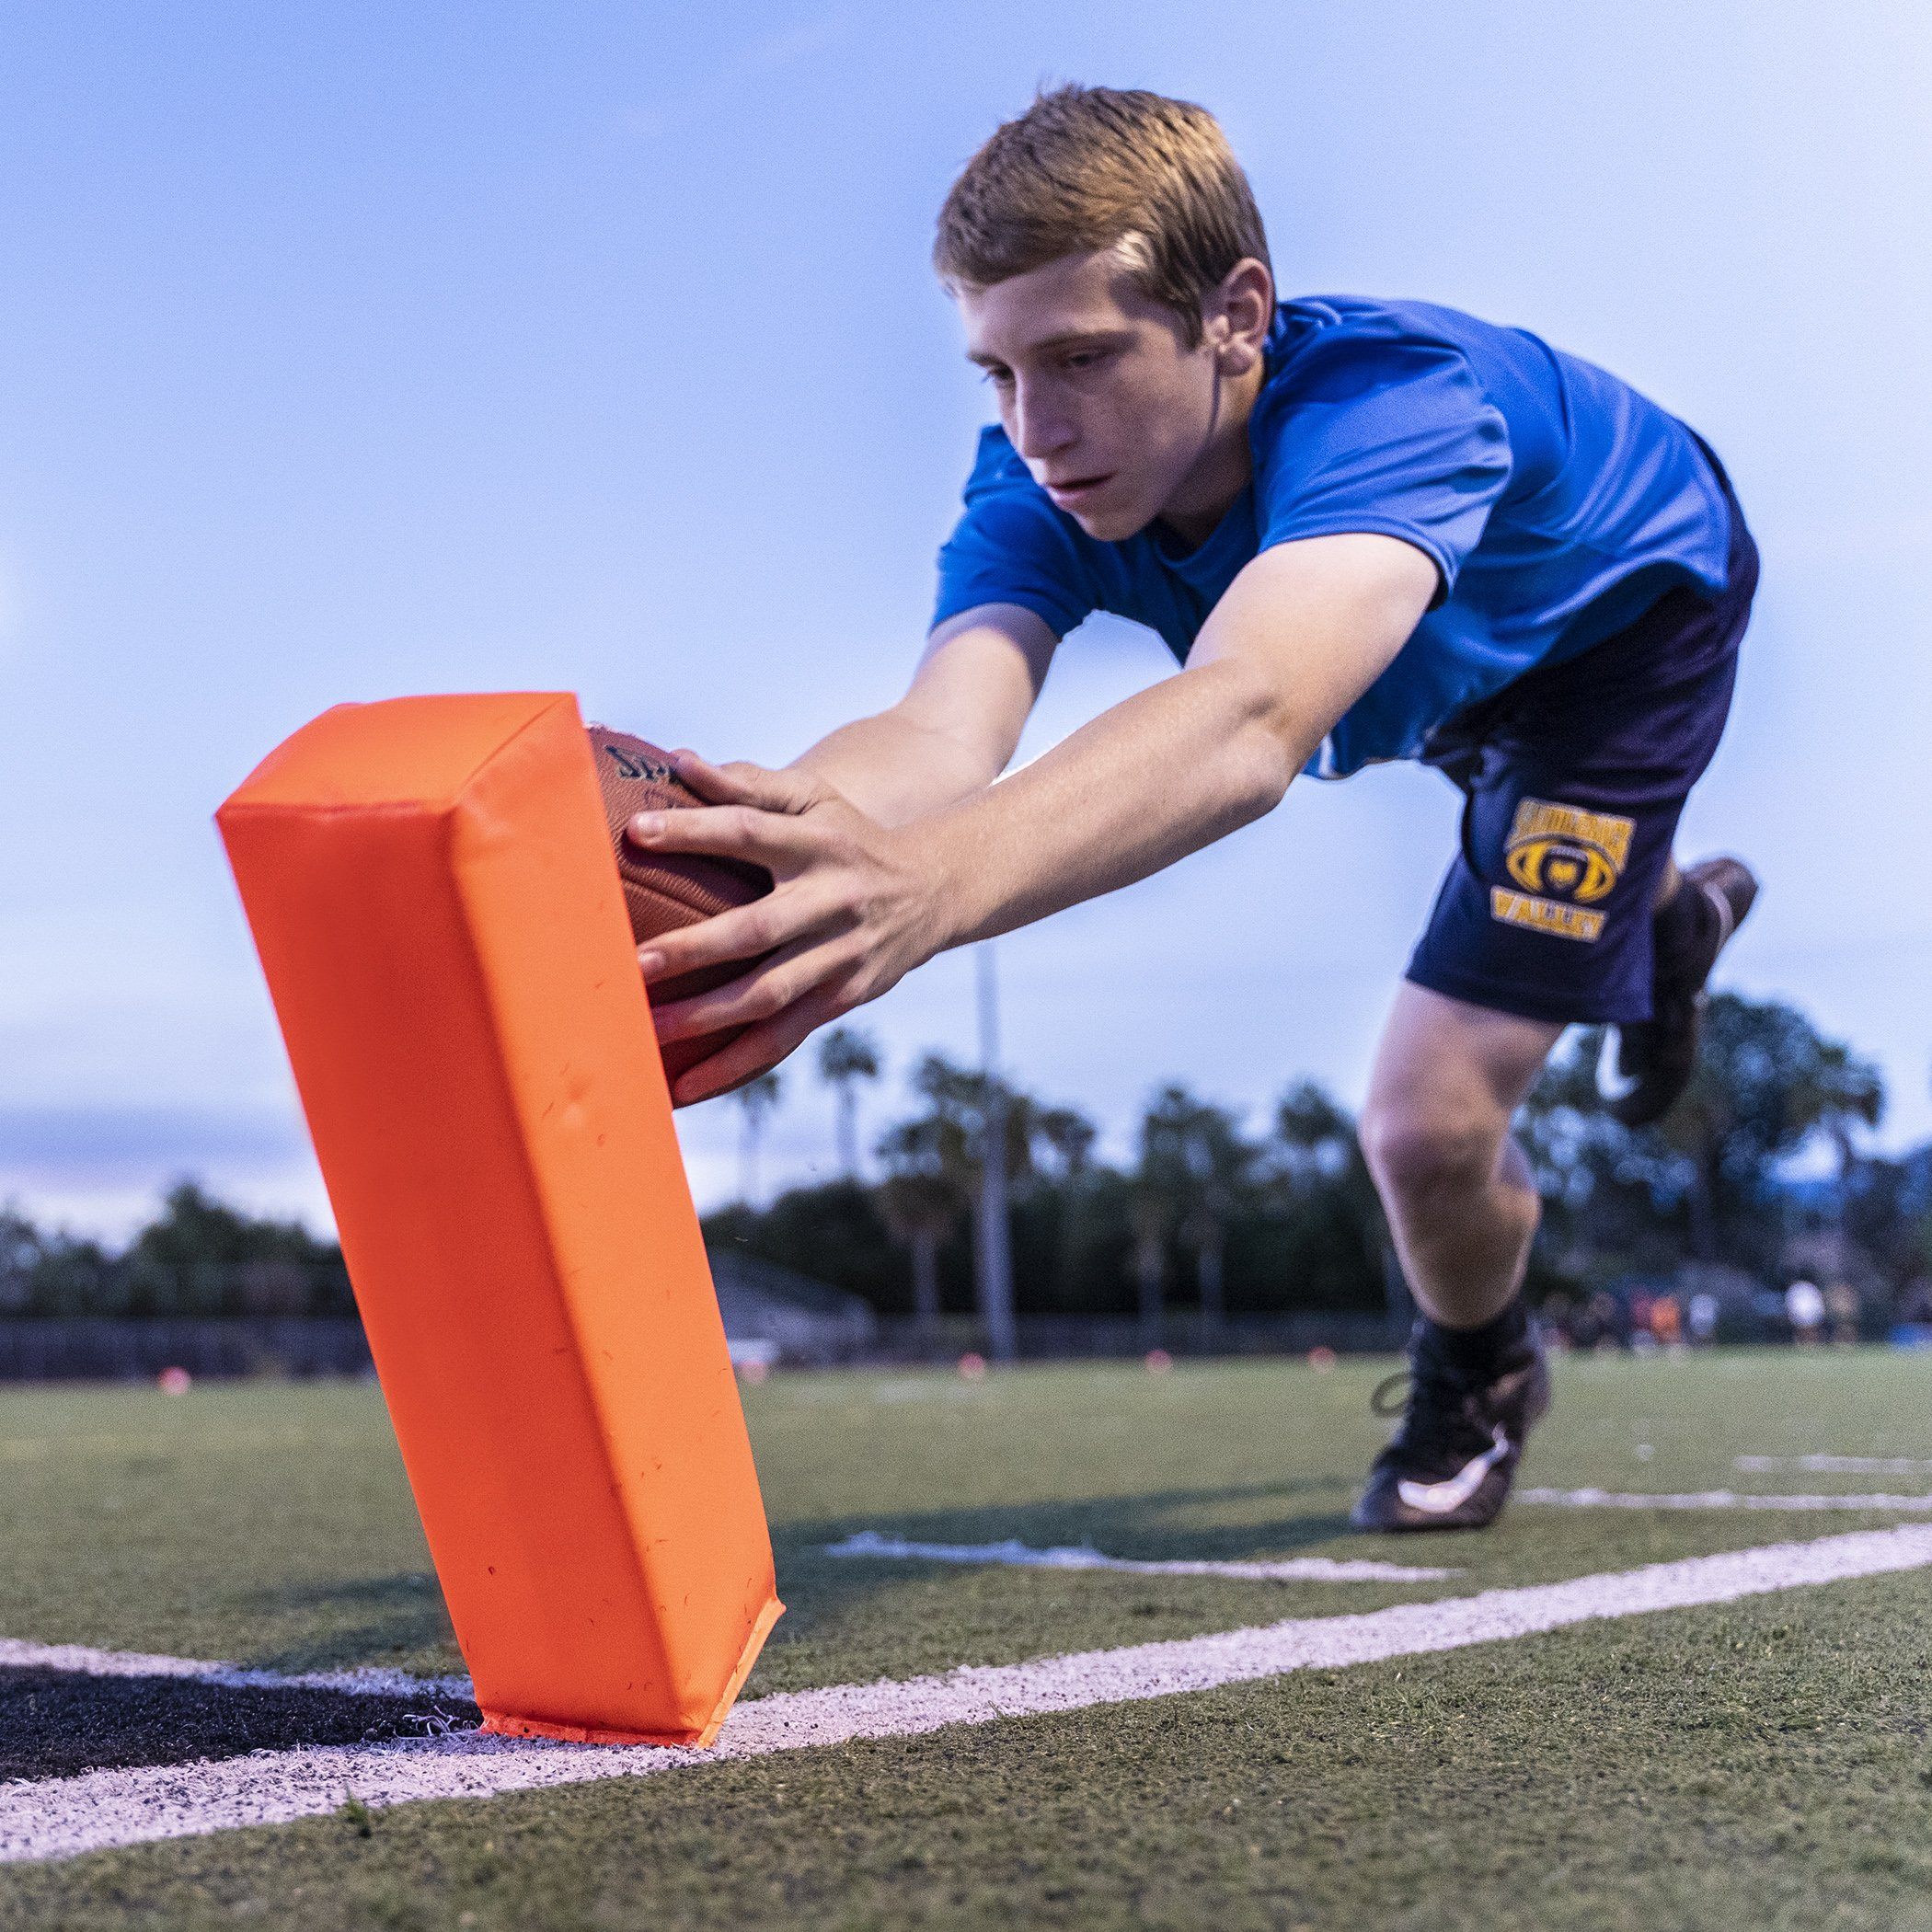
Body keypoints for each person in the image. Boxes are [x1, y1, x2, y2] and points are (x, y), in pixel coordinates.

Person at [622, 86, 1760, 1533]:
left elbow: (1251, 719)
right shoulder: (1041, 482)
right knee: (1514, 850)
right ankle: (1659, 913)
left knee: (1426, 1126)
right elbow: (937, 729)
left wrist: (929, 891)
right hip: (1437, 673)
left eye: (1083, 357)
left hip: (1611, 650)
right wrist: (721, 844)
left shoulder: (1392, 406)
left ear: (1235, 315)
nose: (1037, 428)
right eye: (999, 374)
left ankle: (1481, 1370)